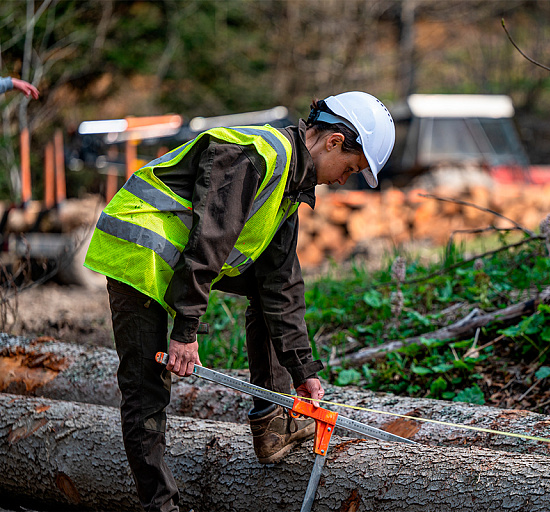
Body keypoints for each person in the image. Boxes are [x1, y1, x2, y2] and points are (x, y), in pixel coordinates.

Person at [83, 91, 395, 512]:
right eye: (350, 168)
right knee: (146, 390)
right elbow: (209, 241)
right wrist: (185, 332)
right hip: (139, 251)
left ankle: (272, 422)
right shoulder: (254, 155)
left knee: (270, 295)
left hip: (179, 260)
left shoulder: (290, 187)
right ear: (334, 141)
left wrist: (302, 370)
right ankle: (160, 506)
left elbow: (281, 285)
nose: (344, 179)